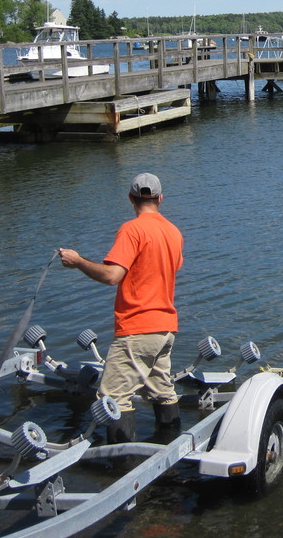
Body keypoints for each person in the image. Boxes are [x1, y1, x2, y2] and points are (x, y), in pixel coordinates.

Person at [60, 173, 184, 443]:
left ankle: (123, 468)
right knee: (163, 390)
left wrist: (78, 261)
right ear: (160, 199)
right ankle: (171, 450)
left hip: (137, 330)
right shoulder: (173, 232)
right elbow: (172, 268)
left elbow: (112, 276)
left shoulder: (132, 229)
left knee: (113, 397)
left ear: (131, 198)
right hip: (165, 330)